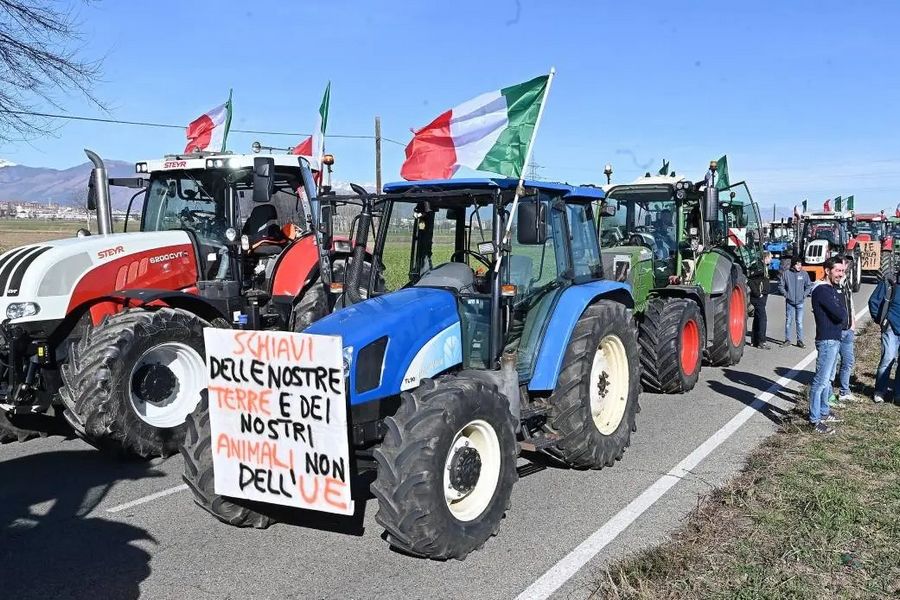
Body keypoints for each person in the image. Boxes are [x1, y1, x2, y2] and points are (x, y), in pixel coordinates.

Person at [809, 257, 847, 434]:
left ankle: (824, 412)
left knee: (827, 380)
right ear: (827, 270)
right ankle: (815, 420)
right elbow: (840, 314)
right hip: (827, 339)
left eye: (843, 271)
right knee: (821, 381)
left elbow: (842, 311)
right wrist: (840, 309)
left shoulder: (832, 288)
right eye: (838, 271)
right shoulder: (822, 291)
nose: (841, 274)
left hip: (833, 338)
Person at [868, 267, 900, 403]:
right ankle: (880, 391)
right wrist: (882, 321)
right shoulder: (889, 282)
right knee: (888, 358)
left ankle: (898, 394)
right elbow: (873, 302)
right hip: (891, 327)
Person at [829, 255, 857, 406]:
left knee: (848, 361)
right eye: (842, 264)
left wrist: (853, 321)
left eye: (845, 264)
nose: (845, 266)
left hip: (848, 329)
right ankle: (828, 395)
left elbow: (849, 302)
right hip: (835, 331)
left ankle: (845, 392)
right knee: (832, 364)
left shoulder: (846, 282)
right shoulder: (830, 284)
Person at [779, 258, 812, 347]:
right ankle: (787, 340)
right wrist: (786, 295)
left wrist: (803, 295)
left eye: (800, 264)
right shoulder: (786, 274)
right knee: (788, 322)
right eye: (797, 264)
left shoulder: (804, 274)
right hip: (790, 302)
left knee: (799, 322)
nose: (799, 266)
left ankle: (800, 341)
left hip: (800, 302)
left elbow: (808, 286)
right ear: (793, 265)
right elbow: (781, 286)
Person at [749, 252, 772, 349]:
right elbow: (750, 280)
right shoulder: (758, 268)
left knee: (758, 318)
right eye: (770, 257)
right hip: (758, 297)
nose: (771, 259)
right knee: (763, 319)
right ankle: (762, 341)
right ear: (765, 257)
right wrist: (758, 294)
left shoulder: (764, 267)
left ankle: (755, 340)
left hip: (762, 297)